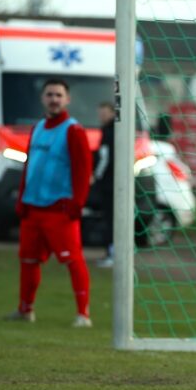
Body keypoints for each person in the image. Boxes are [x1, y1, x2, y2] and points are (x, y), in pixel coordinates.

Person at [4, 78, 93, 327]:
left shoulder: (74, 131)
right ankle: (25, 310)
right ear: (43, 98)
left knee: (72, 260)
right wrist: (22, 199)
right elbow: (29, 166)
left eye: (58, 95)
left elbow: (83, 170)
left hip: (59, 210)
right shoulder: (38, 128)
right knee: (28, 260)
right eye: (50, 95)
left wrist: (77, 204)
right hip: (33, 208)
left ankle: (83, 314)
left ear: (67, 100)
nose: (54, 99)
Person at [91, 101, 115, 268]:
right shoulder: (110, 130)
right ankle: (112, 253)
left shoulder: (109, 132)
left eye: (105, 113)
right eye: (100, 113)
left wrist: (96, 176)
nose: (101, 116)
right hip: (113, 182)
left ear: (113, 113)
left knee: (110, 219)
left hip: (109, 184)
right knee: (112, 219)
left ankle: (112, 254)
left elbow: (105, 158)